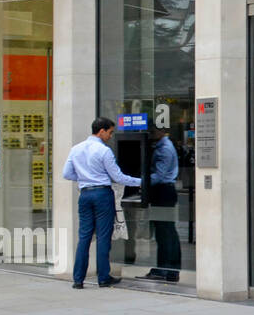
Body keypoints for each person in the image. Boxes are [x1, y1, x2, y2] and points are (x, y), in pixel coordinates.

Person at [62, 117, 141, 289]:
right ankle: (103, 278)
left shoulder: (76, 149)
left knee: (84, 237)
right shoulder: (104, 151)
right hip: (102, 194)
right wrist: (141, 182)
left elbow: (67, 174)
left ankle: (78, 279)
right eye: (110, 132)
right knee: (103, 237)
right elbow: (118, 177)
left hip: (85, 195)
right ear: (102, 131)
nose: (110, 136)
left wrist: (84, 178)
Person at [144, 126, 180, 282]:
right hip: (164, 192)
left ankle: (166, 269)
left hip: (163, 192)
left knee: (165, 232)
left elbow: (159, 176)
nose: (150, 135)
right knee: (166, 232)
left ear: (160, 131)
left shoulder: (164, 149)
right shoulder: (163, 146)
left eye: (152, 132)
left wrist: (139, 182)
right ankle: (168, 269)